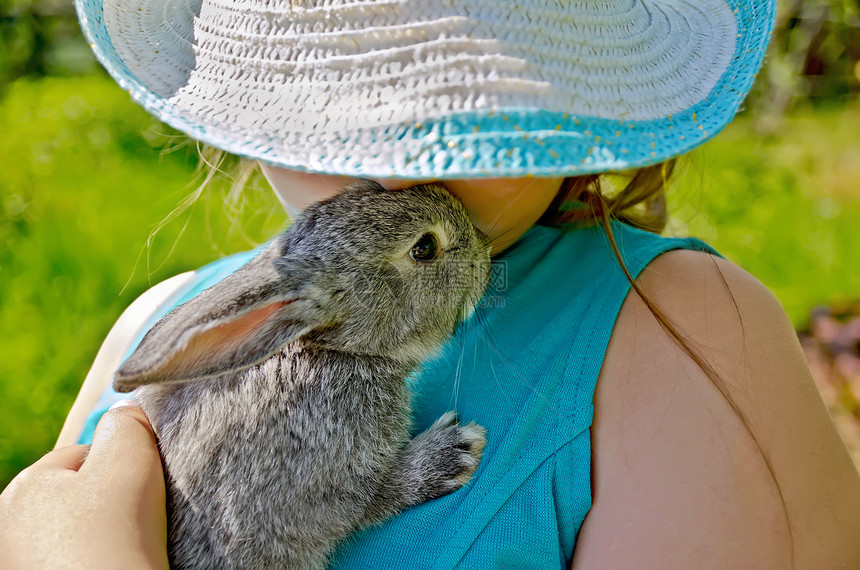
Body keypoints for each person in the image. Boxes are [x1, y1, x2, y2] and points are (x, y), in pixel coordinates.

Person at [2, 0, 860, 567]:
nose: (392, 164)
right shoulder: (157, 330)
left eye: (456, 92)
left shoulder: (685, 343)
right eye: (337, 79)